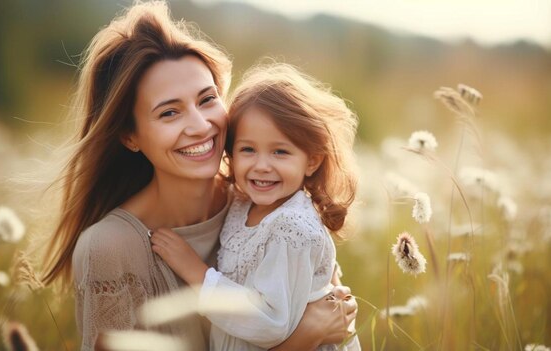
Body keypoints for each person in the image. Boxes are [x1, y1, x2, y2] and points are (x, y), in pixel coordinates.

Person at [39, 2, 357, 350]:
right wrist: (302, 338)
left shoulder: (262, 204)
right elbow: (309, 326)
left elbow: (330, 303)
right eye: (170, 112)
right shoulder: (111, 248)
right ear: (130, 136)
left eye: (207, 99)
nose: (200, 125)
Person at [150, 63, 360, 350]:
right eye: (248, 149)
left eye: (280, 152)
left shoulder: (291, 226)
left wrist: (195, 272)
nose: (262, 166)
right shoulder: (242, 202)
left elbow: (270, 320)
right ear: (231, 154)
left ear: (312, 160)